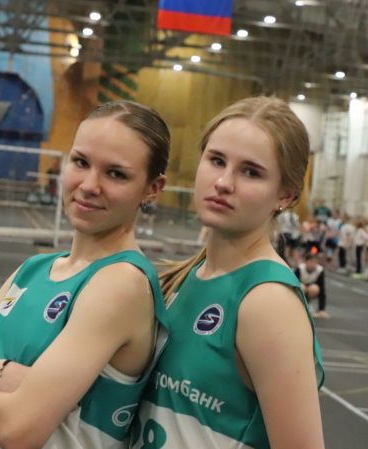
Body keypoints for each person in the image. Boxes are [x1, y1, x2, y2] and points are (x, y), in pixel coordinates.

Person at [0, 100, 171, 449]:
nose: (89, 185)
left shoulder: (121, 283)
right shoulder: (33, 271)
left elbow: (18, 430)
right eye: (81, 162)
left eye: (116, 174)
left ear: (152, 188)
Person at [132, 97, 325, 449]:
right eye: (217, 160)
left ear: (285, 195)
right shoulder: (185, 277)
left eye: (251, 172)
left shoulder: (267, 302)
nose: (223, 182)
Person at [296, 254, 329, 319]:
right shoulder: (300, 269)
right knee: (301, 287)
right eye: (311, 262)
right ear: (306, 262)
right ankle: (298, 305)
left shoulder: (319, 270)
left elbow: (322, 290)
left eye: (315, 262)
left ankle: (308, 304)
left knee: (314, 288)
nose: (312, 265)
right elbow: (293, 283)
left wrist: (321, 309)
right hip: (301, 288)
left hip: (311, 288)